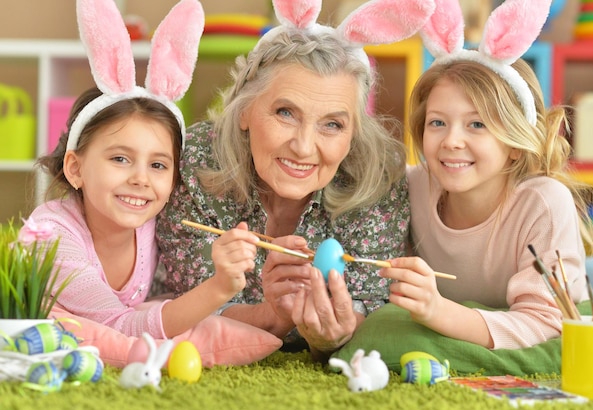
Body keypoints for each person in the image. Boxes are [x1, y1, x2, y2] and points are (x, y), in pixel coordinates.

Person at [156, 0, 435, 360]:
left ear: (353, 134)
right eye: (285, 113)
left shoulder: (378, 176)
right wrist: (272, 316)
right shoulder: (194, 160)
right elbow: (189, 306)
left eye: (332, 124)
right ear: (244, 110)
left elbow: (369, 306)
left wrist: (336, 335)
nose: (304, 147)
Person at [30, 0, 257, 340]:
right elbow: (121, 328)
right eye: (120, 159)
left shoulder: (154, 226)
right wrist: (218, 288)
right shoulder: (52, 238)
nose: (140, 179)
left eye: (158, 165)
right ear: (75, 168)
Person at [382, 0, 593, 349]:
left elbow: (544, 320)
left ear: (515, 143)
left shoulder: (543, 203)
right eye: (438, 122)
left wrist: (439, 312)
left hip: (567, 282)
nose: (452, 141)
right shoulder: (411, 186)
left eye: (477, 124)